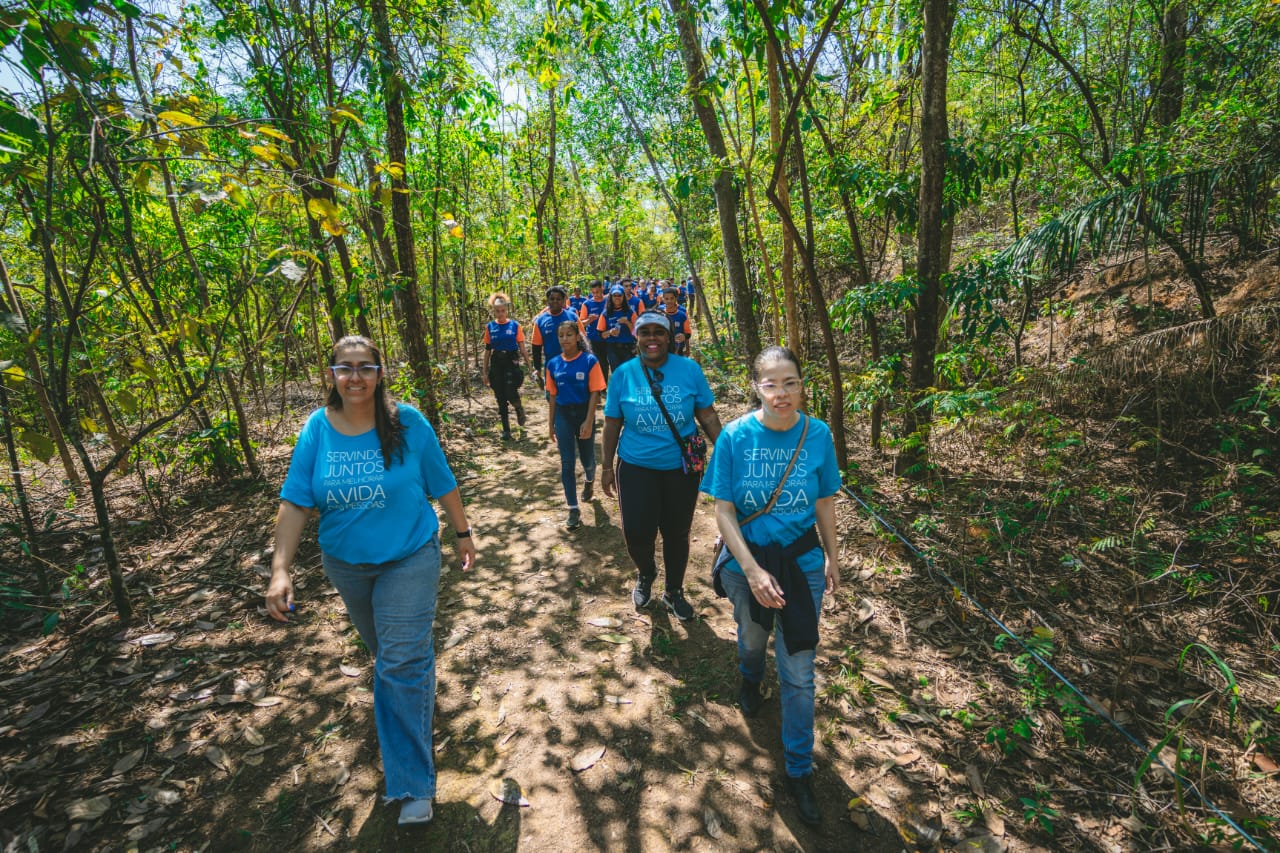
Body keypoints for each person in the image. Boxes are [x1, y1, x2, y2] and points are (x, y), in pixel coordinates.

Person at [265, 335, 477, 827]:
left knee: (399, 663)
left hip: (410, 556)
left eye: (365, 367)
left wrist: (462, 532)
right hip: (346, 565)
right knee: (391, 656)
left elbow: (441, 479)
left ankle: (412, 786)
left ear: (380, 374)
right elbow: (295, 501)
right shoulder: (317, 428)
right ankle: (414, 703)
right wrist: (280, 569)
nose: (355, 376)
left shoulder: (409, 423)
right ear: (332, 375)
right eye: (345, 367)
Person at [700, 346, 840, 828]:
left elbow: (824, 502)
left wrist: (833, 557)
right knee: (752, 635)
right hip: (747, 562)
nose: (782, 393)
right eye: (771, 384)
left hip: (802, 564)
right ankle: (749, 675)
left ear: (802, 385)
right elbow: (723, 511)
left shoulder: (818, 435)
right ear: (756, 388)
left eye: (791, 383)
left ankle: (799, 769)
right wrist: (754, 571)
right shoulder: (735, 437)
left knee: (799, 670)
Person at [600, 311, 722, 621]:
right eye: (645, 332)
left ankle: (674, 592)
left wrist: (725, 452)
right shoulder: (623, 374)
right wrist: (605, 466)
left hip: (680, 467)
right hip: (635, 465)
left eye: (659, 332)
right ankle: (646, 571)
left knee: (677, 532)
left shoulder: (689, 370)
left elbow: (707, 415)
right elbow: (612, 423)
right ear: (637, 337)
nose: (652, 338)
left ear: (668, 337)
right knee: (636, 532)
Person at [546, 321, 606, 530]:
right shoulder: (553, 364)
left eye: (569, 335)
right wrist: (551, 424)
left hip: (583, 413)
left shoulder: (589, 361)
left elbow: (595, 392)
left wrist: (589, 420)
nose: (565, 339)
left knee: (588, 459)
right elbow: (553, 396)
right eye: (561, 335)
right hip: (563, 415)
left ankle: (590, 480)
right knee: (567, 463)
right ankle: (573, 508)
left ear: (578, 337)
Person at [482, 292, 530, 441]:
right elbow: (487, 350)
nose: (500, 314)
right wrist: (484, 372)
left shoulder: (515, 325)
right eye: (497, 311)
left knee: (510, 390)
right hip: (497, 362)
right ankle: (506, 430)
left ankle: (518, 408)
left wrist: (530, 366)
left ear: (506, 310)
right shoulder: (490, 327)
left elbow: (522, 348)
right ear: (493, 311)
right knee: (500, 396)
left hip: (511, 361)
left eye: (503, 310)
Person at [530, 285, 582, 391]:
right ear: (547, 301)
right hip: (552, 365)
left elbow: (582, 340)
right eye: (552, 299)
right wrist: (537, 368)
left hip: (573, 363)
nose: (555, 301)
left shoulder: (572, 317)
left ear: (563, 300)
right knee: (552, 395)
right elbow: (536, 346)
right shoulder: (540, 321)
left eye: (558, 299)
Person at [597, 285, 638, 373]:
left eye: (619, 295)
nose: (617, 298)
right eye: (614, 295)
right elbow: (601, 335)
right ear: (610, 297)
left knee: (629, 373)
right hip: (612, 348)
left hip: (628, 347)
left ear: (623, 296)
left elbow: (636, 333)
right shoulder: (605, 313)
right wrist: (610, 332)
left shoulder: (630, 312)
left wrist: (627, 322)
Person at [579, 279, 611, 381]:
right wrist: (590, 320)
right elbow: (581, 324)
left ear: (602, 288)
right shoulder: (587, 304)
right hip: (594, 338)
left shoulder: (609, 301)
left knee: (610, 362)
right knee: (600, 362)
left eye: (597, 292)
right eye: (593, 293)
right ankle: (602, 385)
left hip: (610, 337)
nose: (596, 295)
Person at [659, 286, 693, 355]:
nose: (669, 301)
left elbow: (688, 333)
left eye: (672, 298)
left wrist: (684, 337)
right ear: (663, 299)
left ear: (676, 298)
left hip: (678, 349)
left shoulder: (682, 314)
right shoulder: (659, 313)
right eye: (666, 299)